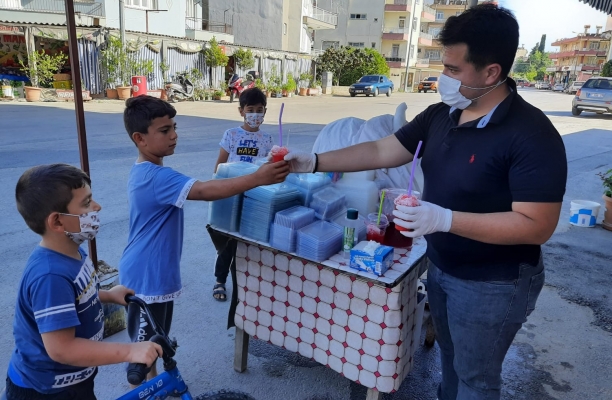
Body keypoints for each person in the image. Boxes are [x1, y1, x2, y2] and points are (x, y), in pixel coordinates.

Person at [284, 4, 567, 400]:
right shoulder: (443, 116)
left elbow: (537, 224)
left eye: (453, 70)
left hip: (494, 283)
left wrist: (444, 219)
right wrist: (314, 161)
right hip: (442, 268)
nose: (442, 78)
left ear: (491, 72)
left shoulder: (532, 135)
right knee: (450, 359)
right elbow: (383, 150)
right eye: (443, 67)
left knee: (476, 378)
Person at [118, 95, 289, 381]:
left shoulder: (151, 171)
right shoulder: (155, 177)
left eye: (174, 127)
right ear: (140, 138)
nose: (173, 135)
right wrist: (258, 178)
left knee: (157, 341)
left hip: (155, 273)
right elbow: (206, 190)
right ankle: (148, 391)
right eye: (164, 131)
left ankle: (156, 385)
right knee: (143, 351)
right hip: (146, 276)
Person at [6, 164, 162, 400]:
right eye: (87, 203)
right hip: (47, 391)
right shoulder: (51, 276)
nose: (97, 207)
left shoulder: (73, 251)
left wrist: (108, 294)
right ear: (58, 222)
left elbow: (78, 295)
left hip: (74, 379)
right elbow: (62, 348)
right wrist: (130, 351)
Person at [211, 87, 273, 302]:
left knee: (249, 241)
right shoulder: (232, 135)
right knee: (227, 241)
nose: (255, 114)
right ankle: (220, 280)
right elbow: (219, 164)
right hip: (231, 193)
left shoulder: (267, 139)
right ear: (241, 111)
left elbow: (268, 167)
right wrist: (218, 188)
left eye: (260, 110)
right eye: (251, 109)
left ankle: (246, 285)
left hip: (255, 196)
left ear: (265, 112)